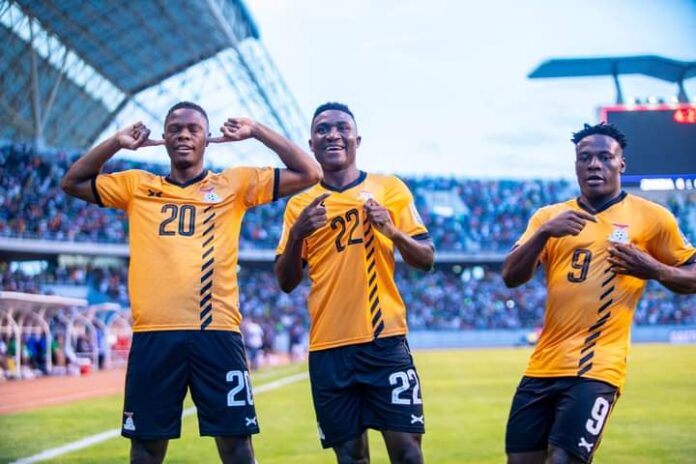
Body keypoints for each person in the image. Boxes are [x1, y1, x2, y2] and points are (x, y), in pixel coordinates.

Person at [61, 101, 322, 464]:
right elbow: (71, 182)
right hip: (154, 335)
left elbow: (310, 172)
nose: (183, 135)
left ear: (207, 138)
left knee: (237, 447)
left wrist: (256, 130)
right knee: (146, 450)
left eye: (193, 129)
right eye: (175, 129)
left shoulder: (234, 184)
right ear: (164, 138)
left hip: (216, 333)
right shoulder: (137, 185)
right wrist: (116, 142)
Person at [501, 122, 696, 464]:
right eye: (585, 157)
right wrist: (544, 233)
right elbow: (511, 277)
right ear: (576, 165)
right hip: (542, 366)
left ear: (622, 164)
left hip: (598, 368)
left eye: (605, 157)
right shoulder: (549, 217)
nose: (594, 164)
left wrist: (654, 269)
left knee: (564, 459)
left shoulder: (652, 218)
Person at [275, 102, 434, 464]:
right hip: (328, 350)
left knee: (408, 453)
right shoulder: (300, 205)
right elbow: (286, 281)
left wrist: (392, 231)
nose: (333, 134)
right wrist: (297, 235)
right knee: (350, 457)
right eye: (323, 129)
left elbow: (426, 258)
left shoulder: (388, 188)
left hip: (384, 342)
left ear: (357, 140)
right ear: (311, 143)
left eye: (342, 128)